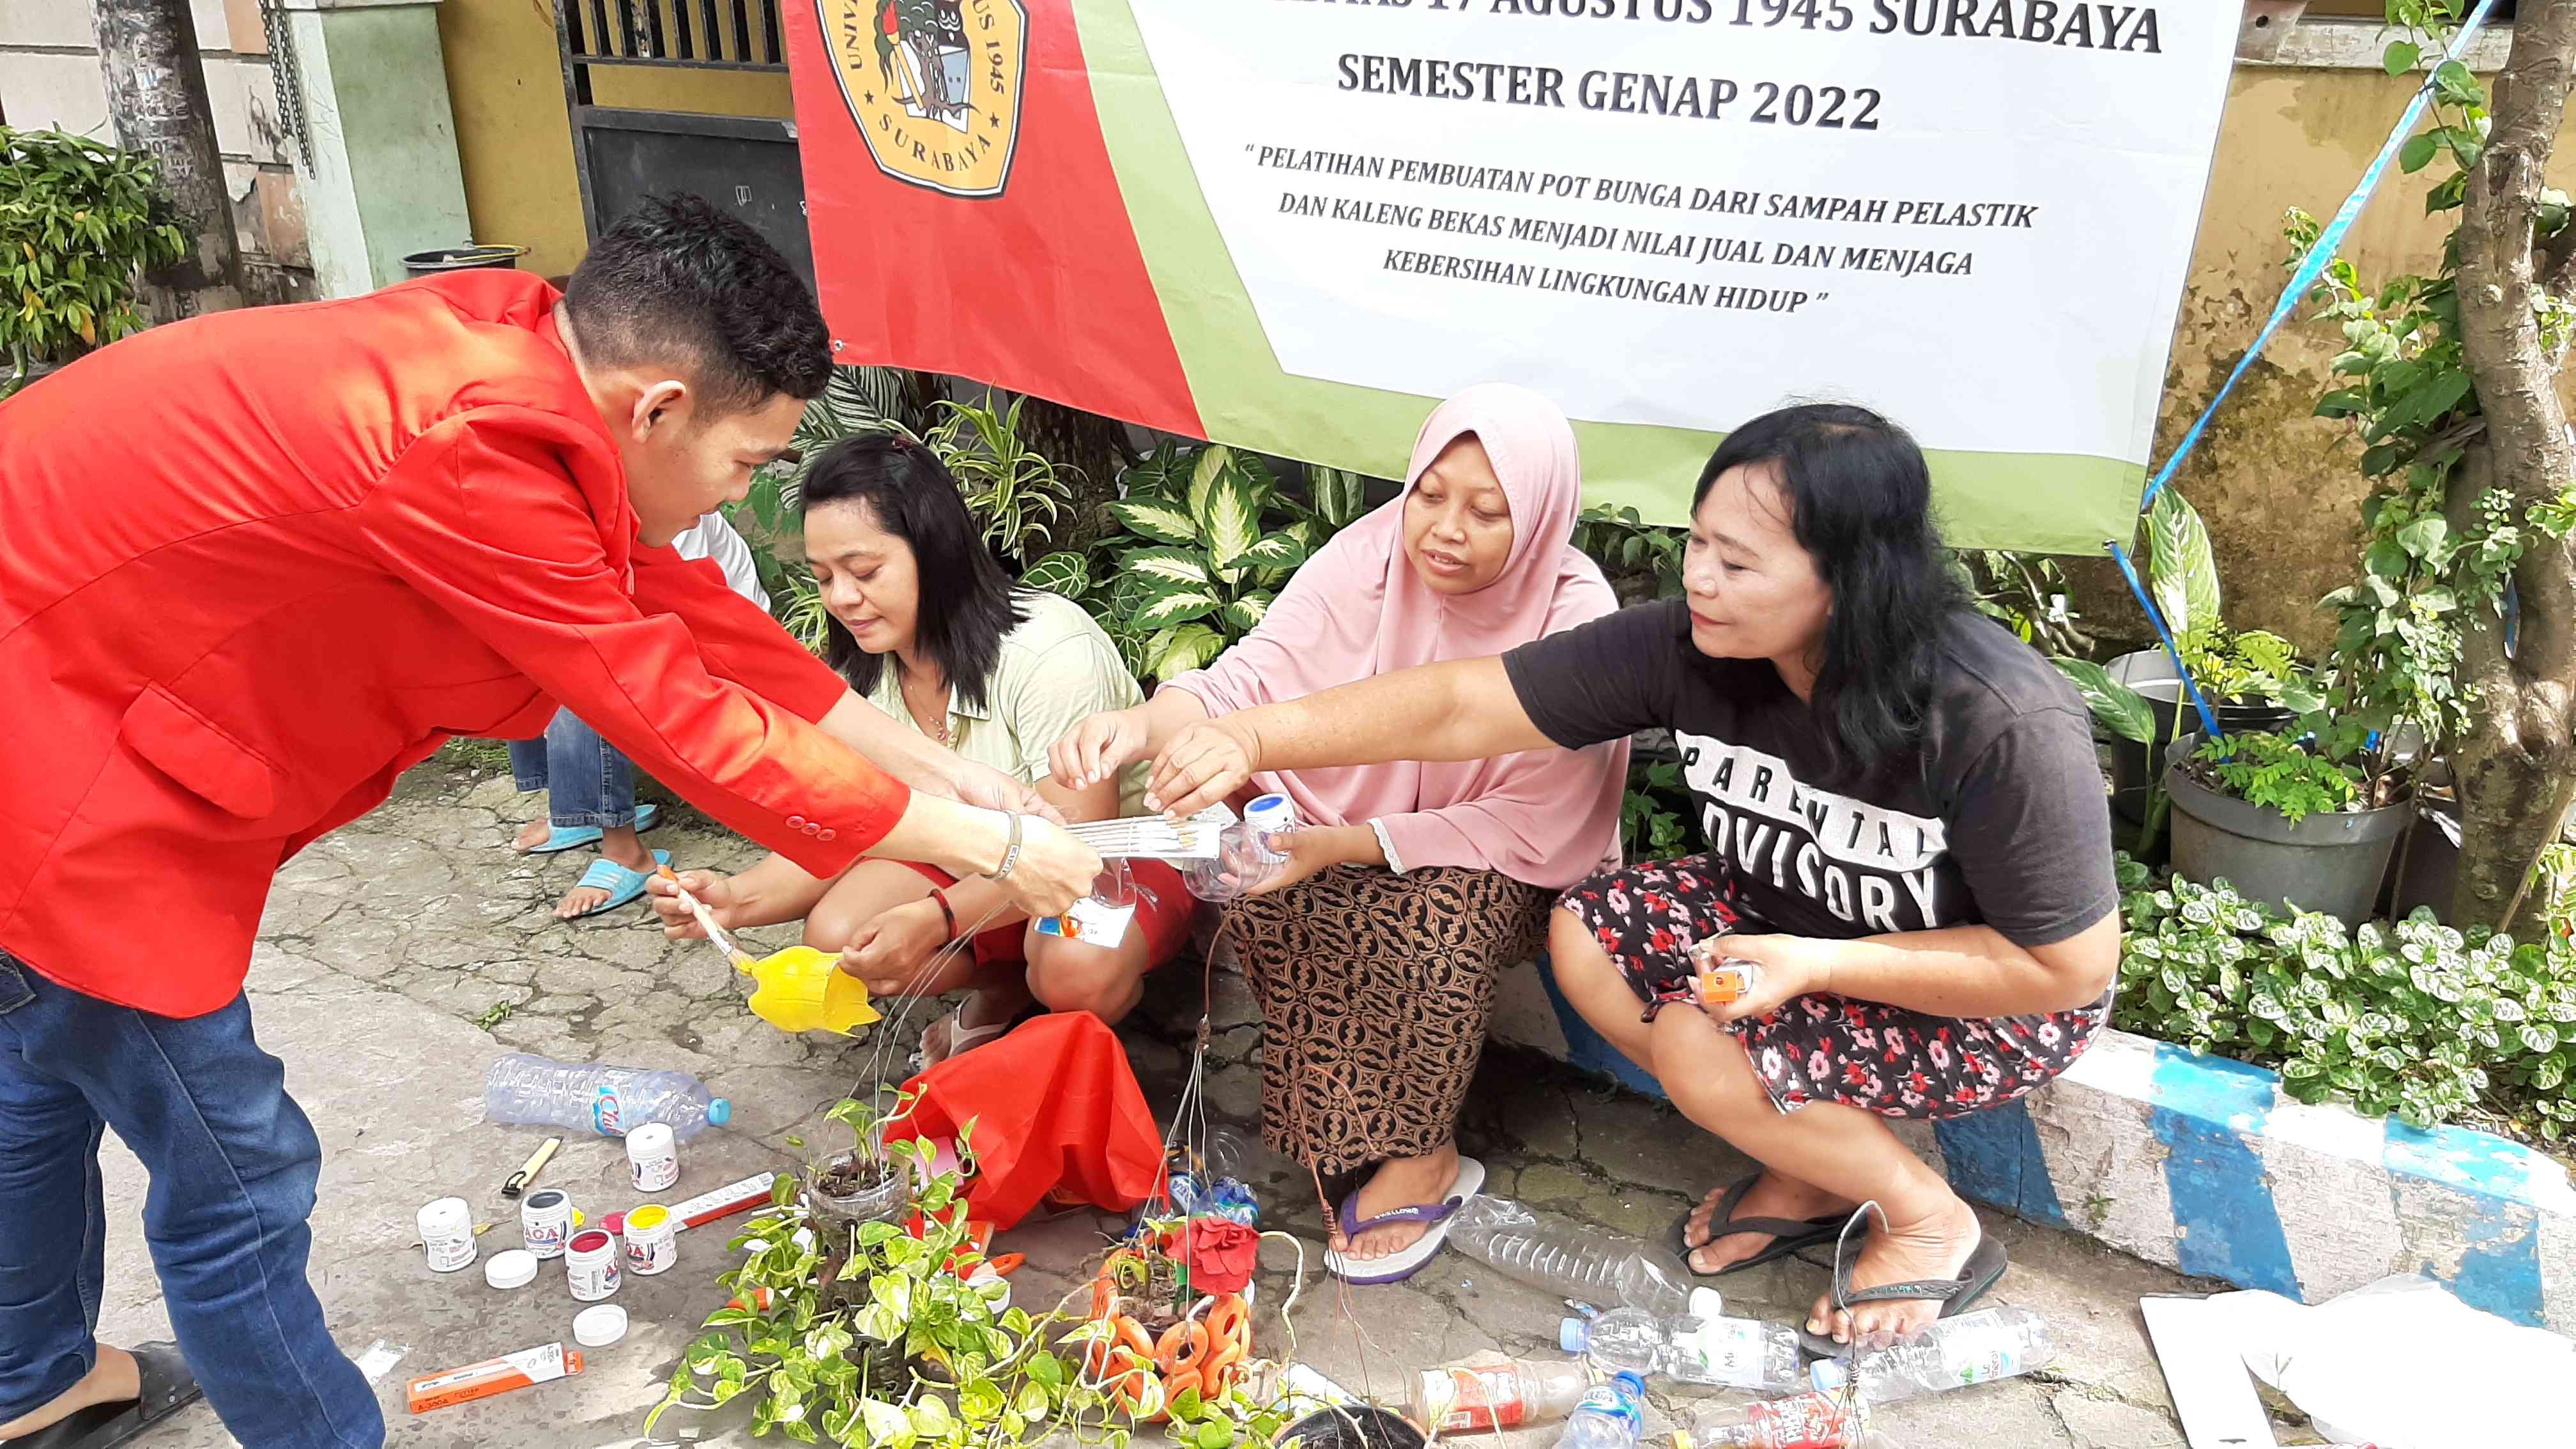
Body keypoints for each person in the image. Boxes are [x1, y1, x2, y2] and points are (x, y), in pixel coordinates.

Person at [0, 194, 1098, 1449]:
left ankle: (32, 1379)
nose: (742, 500)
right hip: (52, 775)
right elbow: (675, 712)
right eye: (746, 467)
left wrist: (941, 773)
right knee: (235, 1181)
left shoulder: (534, 362)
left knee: (34, 1064)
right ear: (660, 407)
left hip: (61, 696)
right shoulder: (467, 446)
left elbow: (684, 609)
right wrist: (992, 847)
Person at [1135, 403, 2119, 1346]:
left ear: (1852, 580)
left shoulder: (1996, 718)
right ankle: (1818, 1165)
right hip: (1788, 920)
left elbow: (2064, 971)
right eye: (1697, 544)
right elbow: (1460, 708)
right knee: (1589, 933)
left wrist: (1814, 966)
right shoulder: (1690, 644)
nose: (1701, 580)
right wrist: (1248, 736)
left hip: (1986, 995)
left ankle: (1925, 1217)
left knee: (1696, 1040)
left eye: (1737, 562)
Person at [1052, 385, 1629, 1285]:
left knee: (1437, 918)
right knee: (1265, 877)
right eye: (1430, 493)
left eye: (1487, 511)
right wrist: (1142, 724)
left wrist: (1351, 842)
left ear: (1545, 514)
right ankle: (1346, 1121)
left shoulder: (1576, 616)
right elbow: (1255, 678)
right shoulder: (1371, 552)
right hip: (1348, 816)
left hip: (1502, 855)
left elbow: (1539, 816)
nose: (1442, 528)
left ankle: (1426, 1152)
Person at [649, 434, 1197, 1063]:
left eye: (864, 572)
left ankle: (1062, 1047)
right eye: (823, 577)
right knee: (838, 934)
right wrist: (735, 898)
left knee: (1075, 967)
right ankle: (1005, 988)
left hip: (1110, 860)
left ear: (935, 554)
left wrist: (937, 917)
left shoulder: (1051, 651)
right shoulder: (866, 673)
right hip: (985, 859)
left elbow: (1076, 846)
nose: (841, 599)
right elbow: (849, 821)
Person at [507, 510, 769, 919]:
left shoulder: (668, 508)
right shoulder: (565, 509)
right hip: (654, 635)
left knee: (588, 667)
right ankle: (576, 809)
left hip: (721, 647)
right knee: (516, 641)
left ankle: (628, 852)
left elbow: (645, 622)